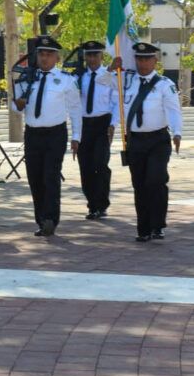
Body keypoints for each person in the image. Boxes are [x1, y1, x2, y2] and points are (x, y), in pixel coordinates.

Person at [109, 43, 183, 242]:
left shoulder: (164, 84)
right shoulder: (126, 80)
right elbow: (103, 82)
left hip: (158, 140)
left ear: (155, 61)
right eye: (139, 59)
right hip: (135, 141)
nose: (142, 63)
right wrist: (110, 68)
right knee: (139, 184)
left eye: (147, 59)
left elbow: (174, 110)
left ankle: (157, 225)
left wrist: (177, 132)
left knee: (156, 181)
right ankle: (143, 227)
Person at [12, 36, 81, 237]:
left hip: (55, 134)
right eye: (41, 54)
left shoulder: (67, 80)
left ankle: (51, 218)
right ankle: (41, 220)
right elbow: (15, 108)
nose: (44, 58)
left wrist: (76, 136)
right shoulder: (25, 78)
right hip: (33, 134)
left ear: (57, 58)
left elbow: (76, 110)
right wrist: (17, 106)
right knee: (35, 178)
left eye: (49, 54)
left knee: (50, 176)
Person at [75, 41, 115, 220]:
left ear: (102, 56)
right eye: (88, 55)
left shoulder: (111, 75)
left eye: (95, 55)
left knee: (100, 164)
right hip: (84, 124)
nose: (91, 59)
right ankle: (92, 205)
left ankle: (102, 204)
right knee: (85, 166)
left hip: (102, 124)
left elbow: (115, 102)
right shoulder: (78, 76)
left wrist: (113, 124)